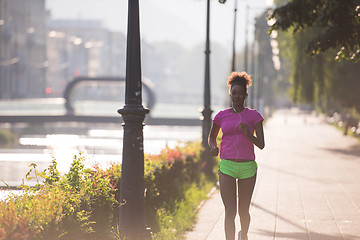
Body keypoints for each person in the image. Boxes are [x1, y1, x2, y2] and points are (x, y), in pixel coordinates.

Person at [208, 71, 265, 240]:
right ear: (230, 94)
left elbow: (261, 144)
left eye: (241, 93)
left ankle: (244, 235)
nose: (237, 96)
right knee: (230, 210)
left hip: (247, 167)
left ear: (246, 95)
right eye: (234, 93)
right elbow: (211, 136)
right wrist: (213, 147)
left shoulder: (254, 116)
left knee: (243, 211)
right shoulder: (221, 116)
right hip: (227, 166)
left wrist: (248, 134)